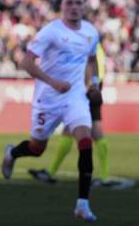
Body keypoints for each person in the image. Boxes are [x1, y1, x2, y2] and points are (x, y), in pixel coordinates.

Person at [0, 0, 100, 222]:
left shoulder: (91, 32)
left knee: (86, 141)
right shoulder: (51, 32)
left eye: (78, 3)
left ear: (84, 7)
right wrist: (53, 82)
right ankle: (12, 153)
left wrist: (93, 83)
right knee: (37, 149)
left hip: (75, 97)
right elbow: (26, 62)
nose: (74, 6)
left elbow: (92, 60)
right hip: (48, 98)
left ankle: (82, 205)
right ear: (62, 6)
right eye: (69, 3)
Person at [28, 42, 118, 188]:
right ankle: (104, 176)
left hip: (85, 89)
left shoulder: (85, 43)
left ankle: (51, 172)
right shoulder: (96, 44)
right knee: (91, 129)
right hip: (94, 88)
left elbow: (87, 66)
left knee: (75, 129)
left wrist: (86, 87)